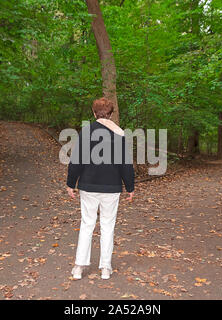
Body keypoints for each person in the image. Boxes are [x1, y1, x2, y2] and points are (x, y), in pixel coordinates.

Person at [66, 97, 135, 280]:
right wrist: (130, 186)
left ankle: (79, 267)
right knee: (107, 226)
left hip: (88, 186)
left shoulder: (87, 131)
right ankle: (105, 268)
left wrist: (70, 184)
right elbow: (125, 164)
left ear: (94, 113)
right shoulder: (119, 134)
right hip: (111, 188)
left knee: (87, 224)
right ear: (111, 114)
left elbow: (76, 161)